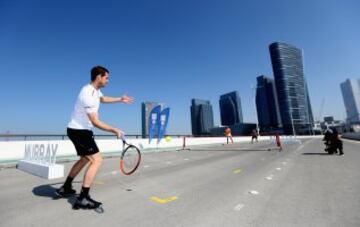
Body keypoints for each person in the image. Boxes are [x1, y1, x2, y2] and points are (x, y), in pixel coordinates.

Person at [56, 66, 134, 210]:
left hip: (78, 130)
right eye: (106, 77)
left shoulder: (95, 91)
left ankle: (66, 187)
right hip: (80, 131)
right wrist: (114, 129)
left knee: (85, 159)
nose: (108, 80)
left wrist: (120, 99)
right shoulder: (88, 94)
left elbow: (103, 98)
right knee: (97, 160)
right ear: (99, 77)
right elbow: (95, 121)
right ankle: (83, 198)